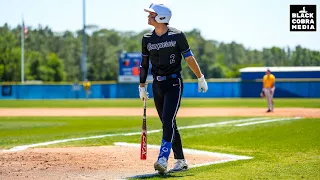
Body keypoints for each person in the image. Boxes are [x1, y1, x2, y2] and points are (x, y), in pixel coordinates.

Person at [138, 3, 208, 174]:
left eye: (151, 14)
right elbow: (144, 64)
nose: (148, 17)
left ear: (161, 17)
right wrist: (141, 85)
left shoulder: (178, 36)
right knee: (169, 123)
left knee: (168, 121)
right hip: (157, 85)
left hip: (174, 84)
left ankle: (162, 159)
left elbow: (189, 58)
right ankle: (181, 160)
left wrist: (200, 77)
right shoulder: (147, 38)